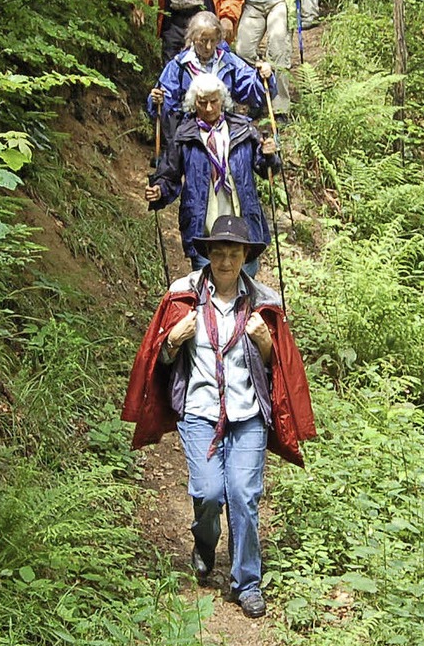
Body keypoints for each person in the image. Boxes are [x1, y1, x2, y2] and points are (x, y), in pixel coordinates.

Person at [121, 215, 316, 618]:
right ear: (207, 254)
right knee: (208, 494)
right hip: (200, 411)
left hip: (247, 416)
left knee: (244, 496)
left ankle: (247, 582)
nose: (226, 261)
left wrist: (265, 345)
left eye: (234, 252)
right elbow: (157, 358)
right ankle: (205, 545)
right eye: (218, 252)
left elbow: (281, 372)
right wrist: (173, 342)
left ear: (246, 256)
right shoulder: (182, 296)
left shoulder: (265, 303)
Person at [145, 74, 279, 277]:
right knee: (207, 291)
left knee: (245, 288)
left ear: (222, 101)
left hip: (243, 224)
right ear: (193, 102)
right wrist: (159, 190)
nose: (208, 108)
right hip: (203, 227)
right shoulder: (184, 135)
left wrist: (269, 156)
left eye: (213, 102)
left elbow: (263, 166)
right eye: (202, 102)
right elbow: (169, 175)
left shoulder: (242, 129)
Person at [147, 11, 277, 144]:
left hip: (225, 124)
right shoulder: (179, 66)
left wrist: (263, 77)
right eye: (203, 41)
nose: (208, 47)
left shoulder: (229, 62)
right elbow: (165, 103)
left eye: (213, 40)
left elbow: (253, 89)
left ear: (219, 39)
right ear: (192, 38)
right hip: (190, 130)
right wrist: (158, 100)